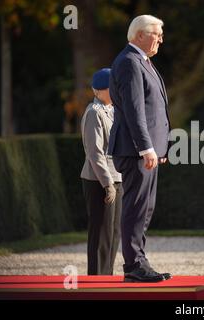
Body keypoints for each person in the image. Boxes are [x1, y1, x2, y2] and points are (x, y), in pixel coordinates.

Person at [108, 15, 171, 282]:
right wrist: (146, 148)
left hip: (145, 151)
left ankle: (139, 261)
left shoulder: (142, 61)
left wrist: (158, 148)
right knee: (136, 207)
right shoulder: (130, 62)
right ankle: (134, 266)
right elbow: (135, 111)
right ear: (139, 35)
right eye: (156, 33)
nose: (160, 38)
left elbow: (153, 110)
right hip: (135, 150)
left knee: (145, 207)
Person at [80, 68, 123, 275]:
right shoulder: (94, 113)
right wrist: (108, 184)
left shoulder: (113, 109)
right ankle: (96, 281)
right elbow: (95, 153)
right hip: (99, 180)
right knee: (101, 234)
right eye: (110, 87)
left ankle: (107, 277)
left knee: (114, 233)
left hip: (117, 177)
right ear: (98, 90)